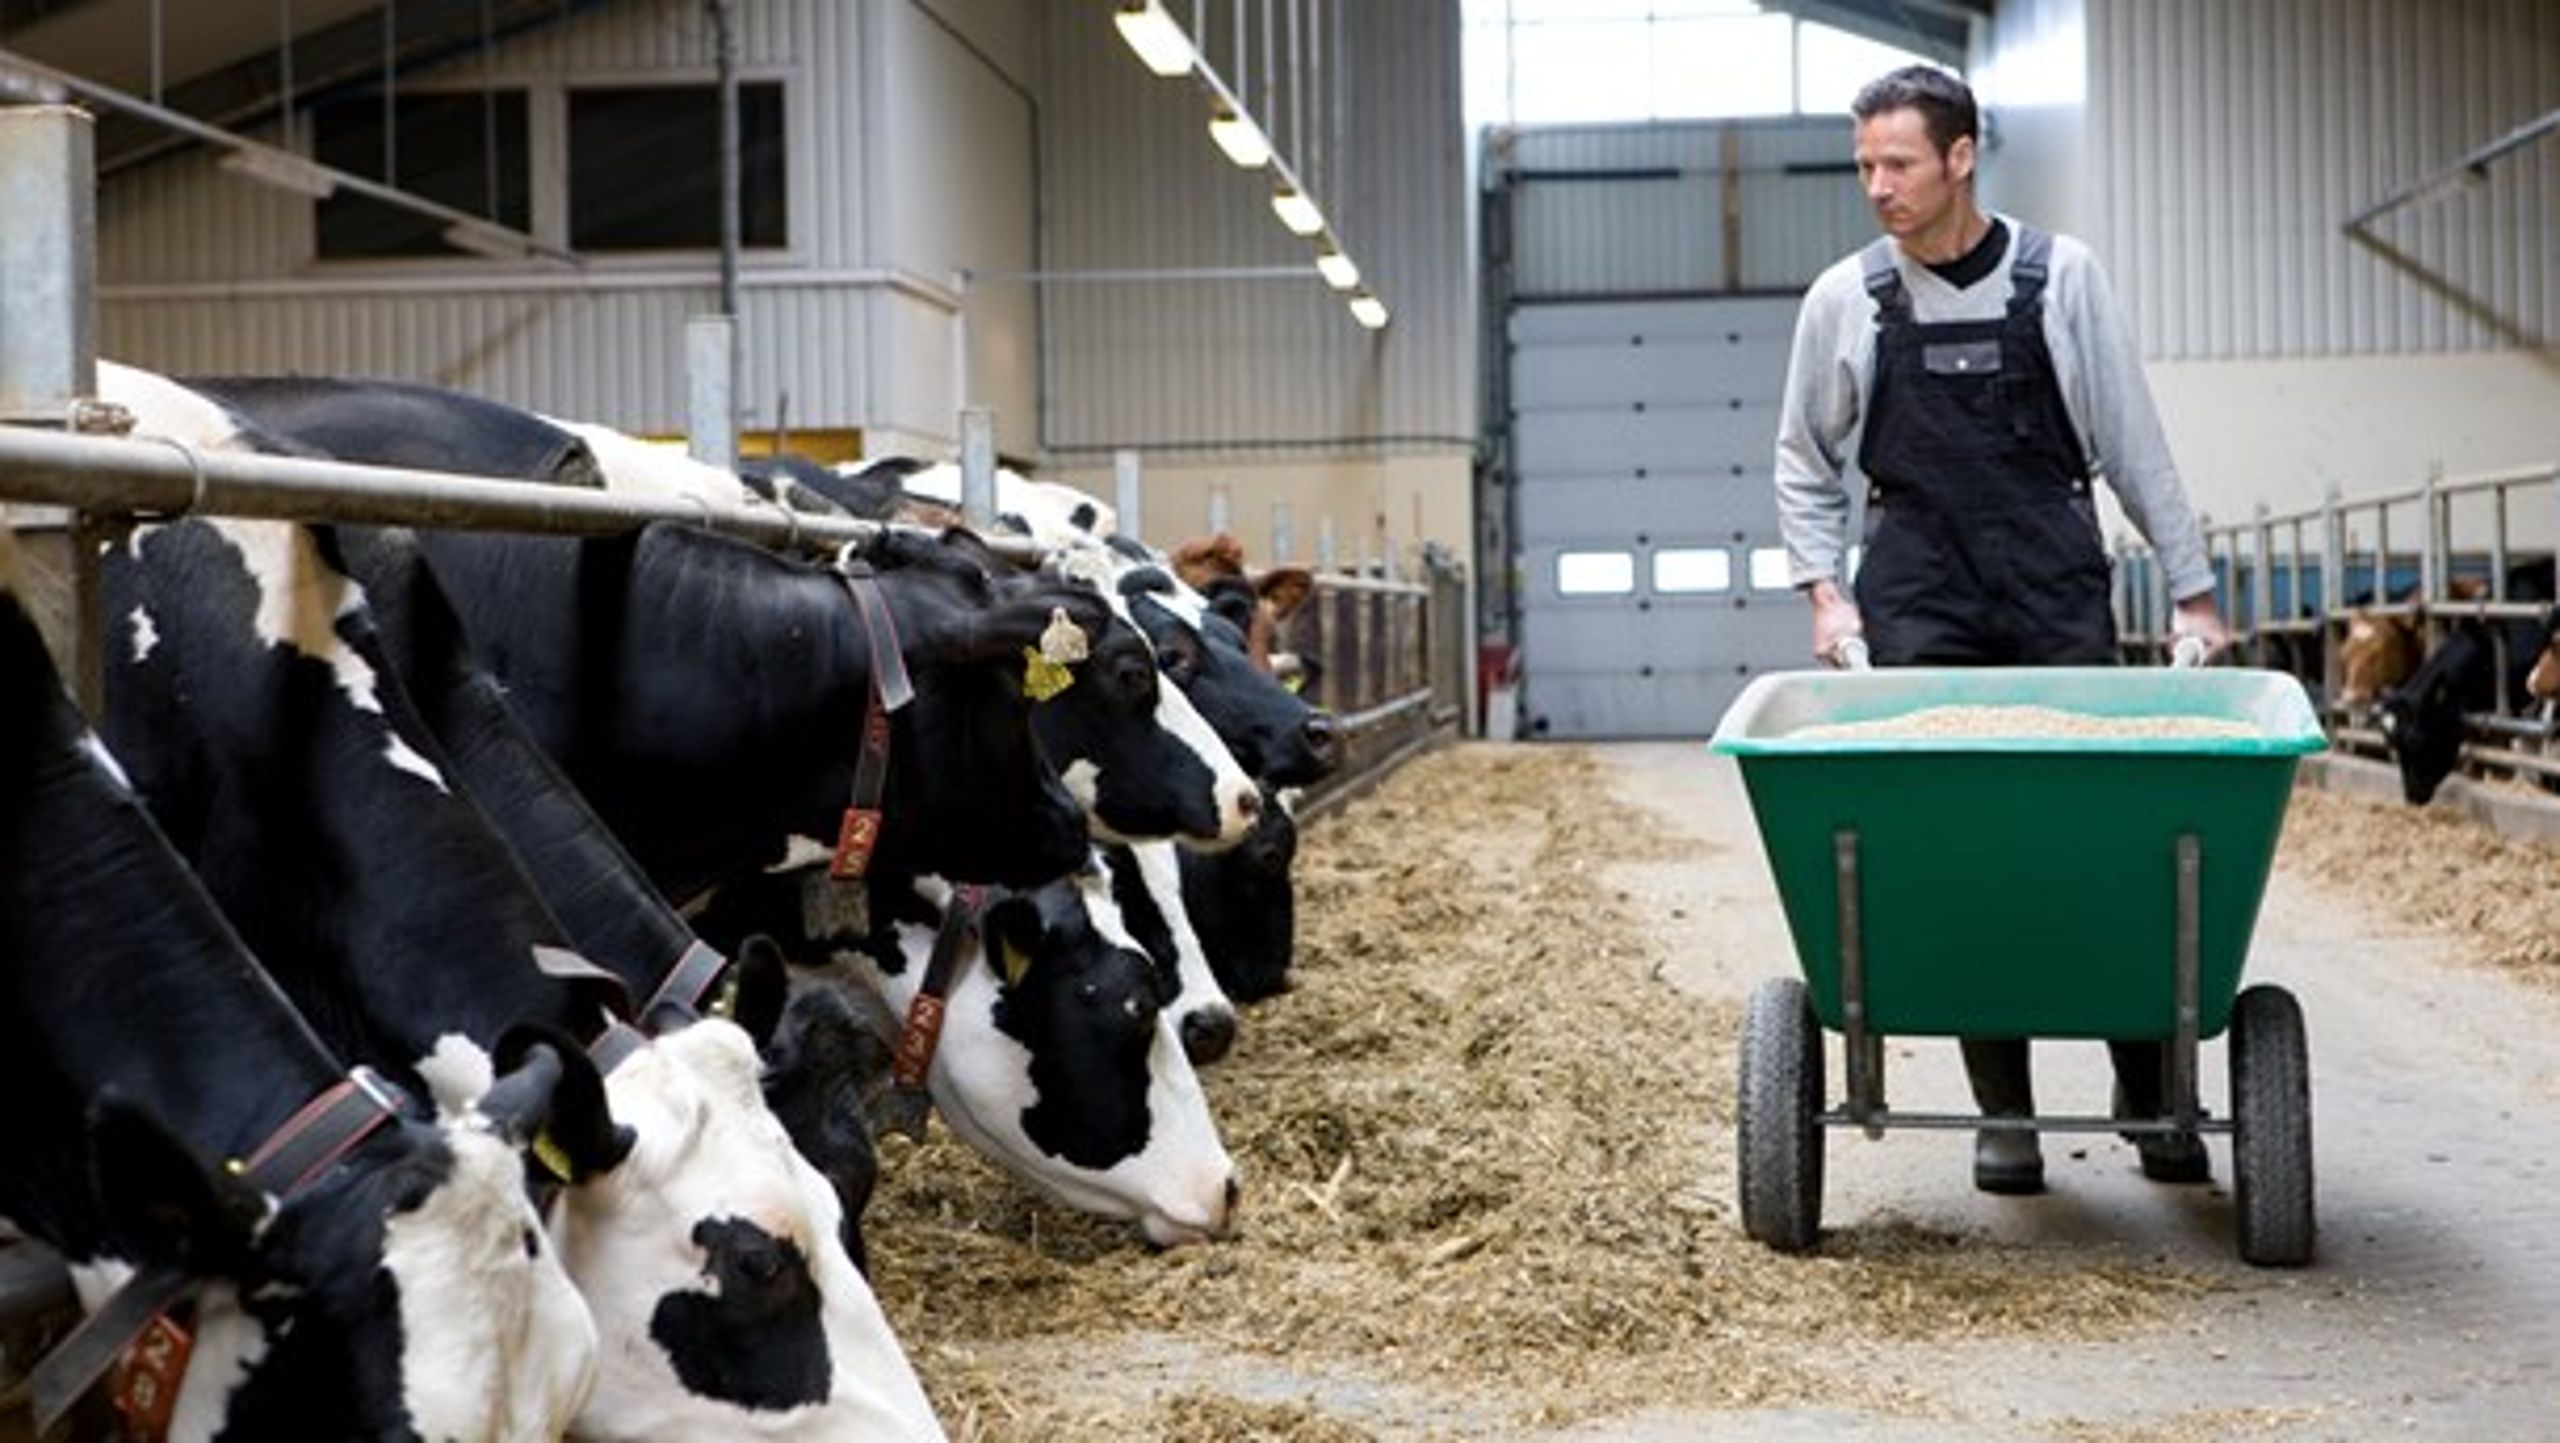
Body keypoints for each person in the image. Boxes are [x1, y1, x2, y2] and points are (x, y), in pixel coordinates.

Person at [1771, 64, 2232, 1196]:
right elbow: (1802, 458)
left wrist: (2192, 588)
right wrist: (1824, 591)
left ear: (1962, 156)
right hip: (1919, 584)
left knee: (2105, 832)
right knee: (1961, 841)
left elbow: (2131, 442)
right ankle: (2004, 1111)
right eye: (1864, 166)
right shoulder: (1846, 299)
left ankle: (2150, 1088)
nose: (1876, 187)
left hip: (2050, 578)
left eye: (1899, 164)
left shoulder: (2060, 277)